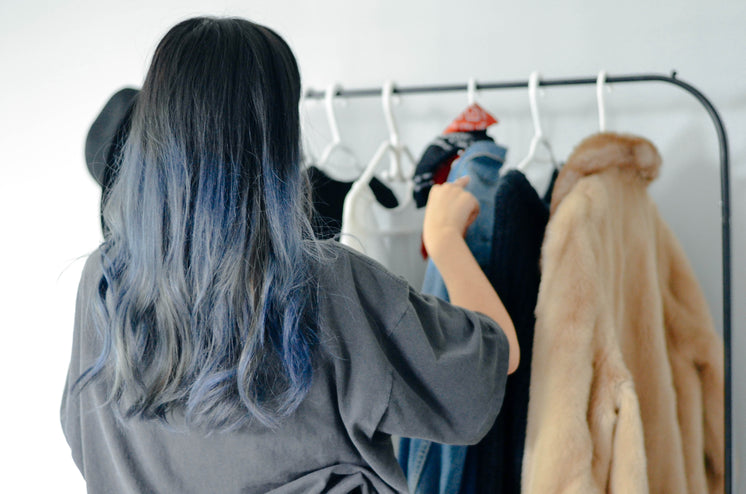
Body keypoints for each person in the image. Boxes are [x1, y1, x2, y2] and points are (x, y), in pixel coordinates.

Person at [61, 16, 519, 494]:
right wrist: (444, 240)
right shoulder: (326, 284)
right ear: (276, 139)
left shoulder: (105, 281)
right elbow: (482, 380)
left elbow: (83, 441)